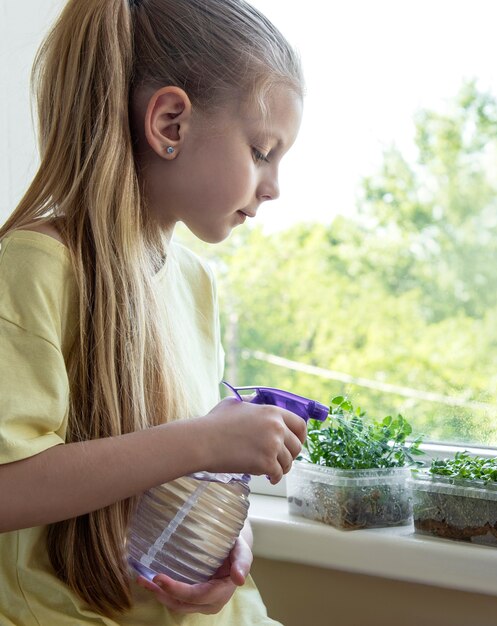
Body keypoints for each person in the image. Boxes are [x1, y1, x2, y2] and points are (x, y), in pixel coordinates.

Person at [0, 0, 305, 623]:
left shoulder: (195, 281)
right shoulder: (34, 267)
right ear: (170, 123)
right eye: (262, 151)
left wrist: (225, 543)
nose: (274, 186)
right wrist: (203, 441)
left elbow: (170, 472)